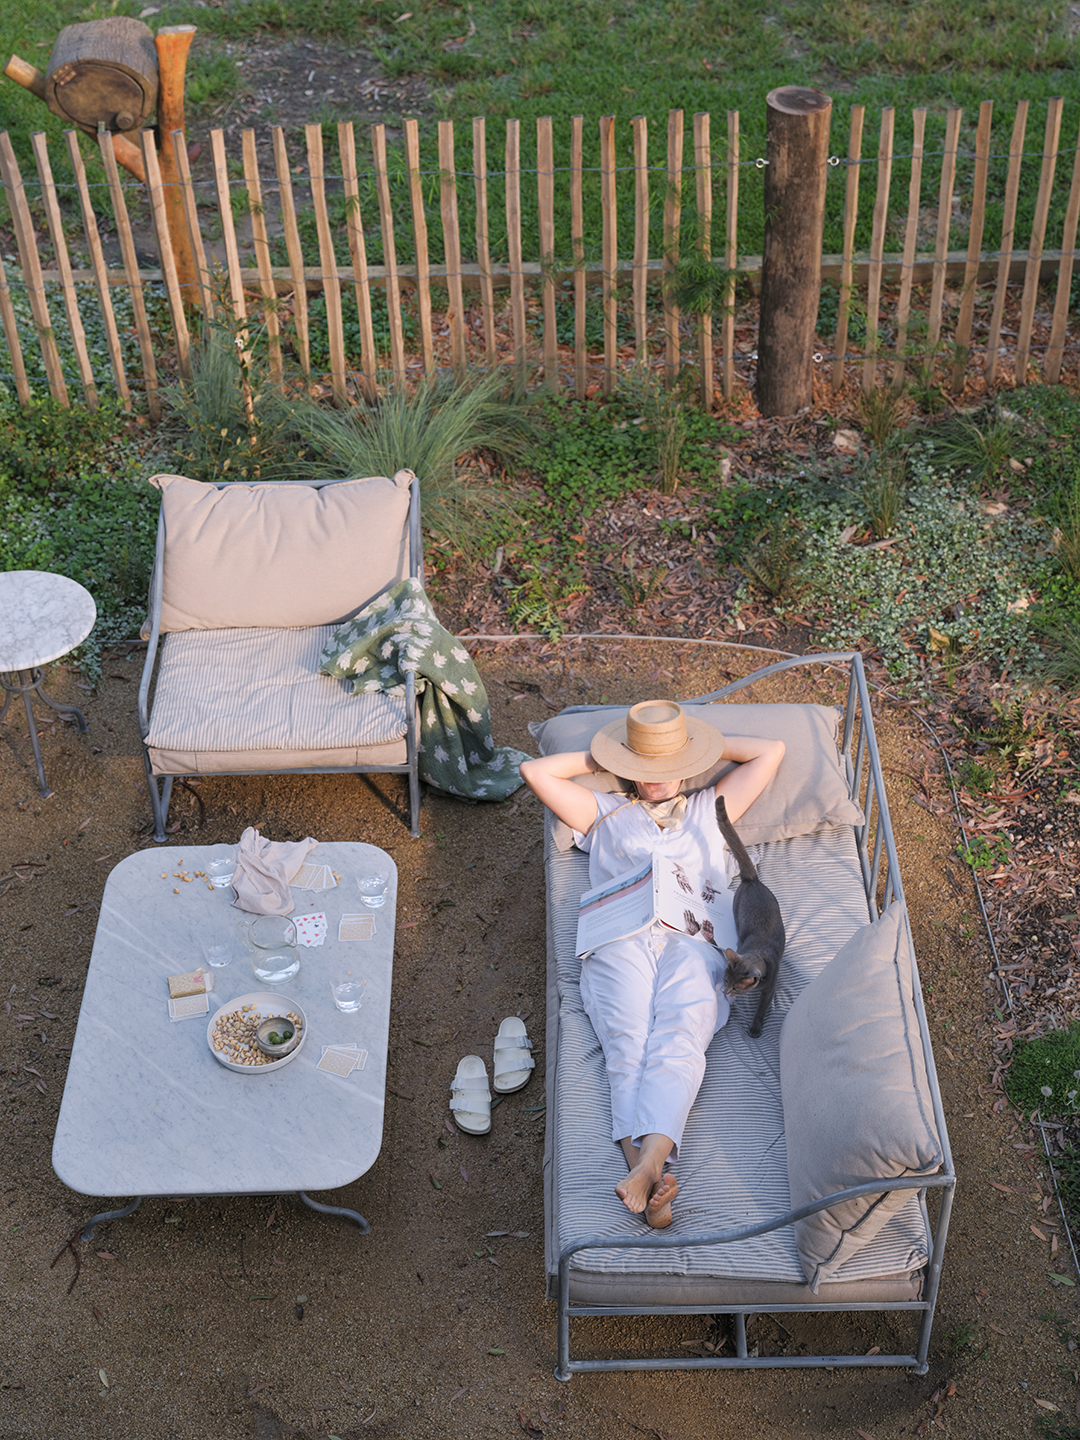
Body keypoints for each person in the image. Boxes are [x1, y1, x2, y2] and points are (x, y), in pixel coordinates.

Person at [520, 701, 784, 1229]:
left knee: (681, 1035)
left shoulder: (713, 805)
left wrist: (697, 746)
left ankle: (646, 1174)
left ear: (688, 765)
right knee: (628, 1041)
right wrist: (608, 760)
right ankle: (644, 1173)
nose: (657, 782)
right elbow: (536, 771)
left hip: (696, 939)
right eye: (647, 772)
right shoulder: (605, 812)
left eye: (668, 770)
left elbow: (770, 751)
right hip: (620, 934)